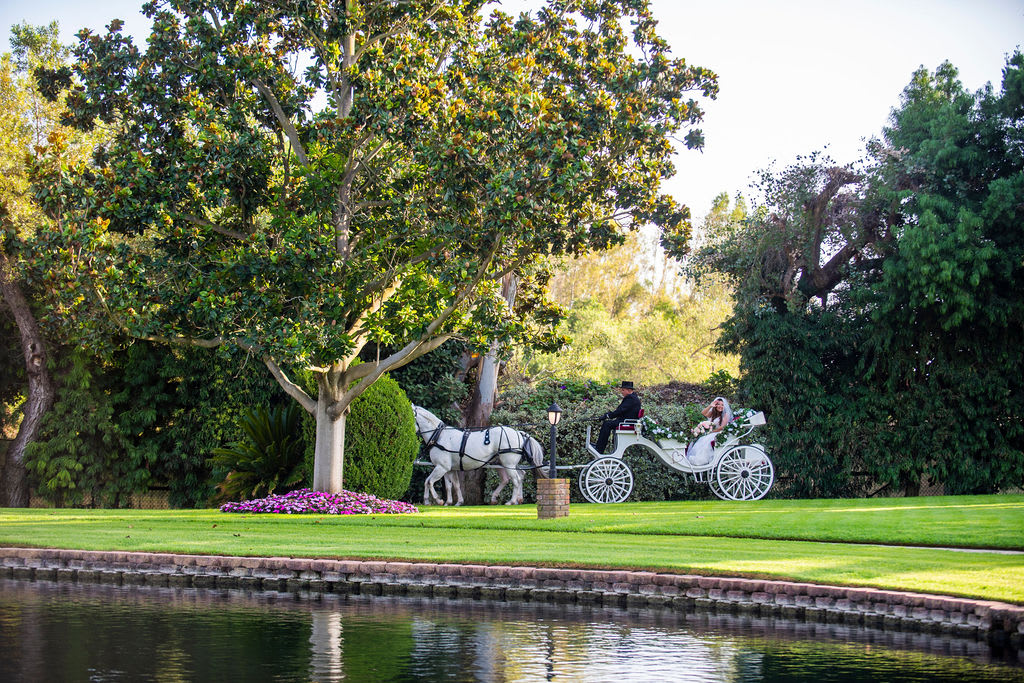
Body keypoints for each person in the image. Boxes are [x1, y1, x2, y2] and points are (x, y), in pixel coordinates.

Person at [594, 381, 642, 454]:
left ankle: (599, 449)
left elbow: (620, 410)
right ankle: (600, 447)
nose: (621, 392)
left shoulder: (630, 398)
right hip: (626, 421)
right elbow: (621, 410)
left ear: (629, 390)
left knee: (607, 424)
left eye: (623, 390)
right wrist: (609, 415)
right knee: (608, 423)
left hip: (626, 422)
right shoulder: (633, 397)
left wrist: (608, 416)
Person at [687, 396, 734, 466]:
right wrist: (710, 406)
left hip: (718, 433)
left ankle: (702, 460)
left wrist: (711, 432)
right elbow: (703, 413)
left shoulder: (726, 414)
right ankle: (696, 458)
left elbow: (721, 427)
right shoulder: (713, 413)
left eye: (722, 405)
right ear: (715, 405)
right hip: (712, 432)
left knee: (706, 441)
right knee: (701, 440)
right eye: (718, 404)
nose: (720, 406)